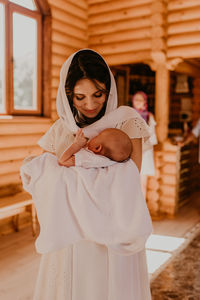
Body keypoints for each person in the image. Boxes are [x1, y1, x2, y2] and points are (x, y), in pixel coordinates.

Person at [23, 49, 152, 300]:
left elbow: (129, 177)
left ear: (109, 90)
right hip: (72, 232)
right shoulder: (60, 129)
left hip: (113, 230)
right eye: (80, 97)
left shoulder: (125, 120)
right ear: (67, 94)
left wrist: (73, 175)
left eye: (98, 94)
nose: (90, 105)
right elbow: (43, 179)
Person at [58, 127, 133, 167]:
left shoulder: (87, 158)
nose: (93, 136)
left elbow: (62, 161)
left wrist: (77, 145)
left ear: (97, 148)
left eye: (97, 136)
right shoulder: (106, 162)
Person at [132, 91, 157, 198]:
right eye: (136, 99)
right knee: (131, 181)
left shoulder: (149, 116)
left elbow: (152, 137)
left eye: (140, 100)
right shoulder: (129, 114)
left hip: (145, 152)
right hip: (131, 151)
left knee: (143, 183)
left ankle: (142, 211)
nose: (138, 102)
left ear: (144, 102)